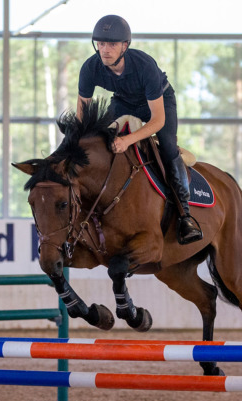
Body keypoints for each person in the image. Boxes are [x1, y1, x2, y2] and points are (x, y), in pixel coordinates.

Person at [77, 14, 202, 245]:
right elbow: (82, 118)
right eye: (101, 44)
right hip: (124, 101)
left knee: (166, 147)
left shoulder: (144, 66)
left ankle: (186, 216)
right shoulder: (90, 68)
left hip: (159, 104)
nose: (105, 50)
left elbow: (157, 121)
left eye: (112, 44)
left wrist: (127, 140)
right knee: (101, 141)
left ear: (125, 45)